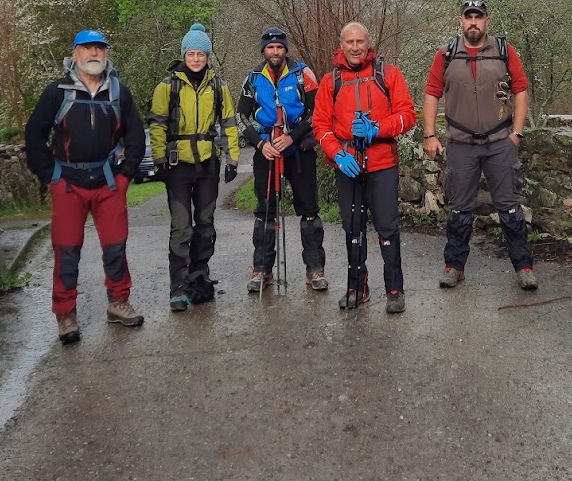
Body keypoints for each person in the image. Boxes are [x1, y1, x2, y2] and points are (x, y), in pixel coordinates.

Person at [25, 30, 147, 345]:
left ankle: (118, 302)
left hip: (108, 183)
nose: (94, 53)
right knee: (66, 251)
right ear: (75, 53)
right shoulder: (57, 92)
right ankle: (65, 314)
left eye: (99, 48)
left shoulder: (118, 92)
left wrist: (125, 176)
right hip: (68, 184)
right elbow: (34, 136)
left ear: (105, 54)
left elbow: (135, 136)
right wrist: (51, 176)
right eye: (87, 48)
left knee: (116, 247)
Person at [423, 0, 537, 291]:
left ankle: (524, 267)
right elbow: (432, 93)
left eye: (478, 17)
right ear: (460, 20)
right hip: (461, 145)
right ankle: (454, 267)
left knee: (510, 208)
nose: (473, 22)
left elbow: (521, 89)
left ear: (487, 20)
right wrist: (429, 134)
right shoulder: (446, 55)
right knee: (459, 210)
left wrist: (517, 133)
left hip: (500, 142)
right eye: (468, 17)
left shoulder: (504, 51)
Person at [312, 22, 417, 313]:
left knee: (387, 228)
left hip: (382, 163)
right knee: (353, 228)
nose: (355, 47)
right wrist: (337, 154)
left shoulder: (388, 74)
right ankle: (357, 288)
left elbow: (408, 115)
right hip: (348, 165)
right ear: (341, 45)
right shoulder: (330, 81)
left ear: (368, 43)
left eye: (360, 41)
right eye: (350, 42)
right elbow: (320, 125)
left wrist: (377, 128)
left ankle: (394, 289)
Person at [148, 23, 240, 312]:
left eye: (201, 54)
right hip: (178, 166)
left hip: (207, 166)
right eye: (192, 54)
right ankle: (178, 286)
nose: (196, 59)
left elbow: (229, 124)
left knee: (205, 225)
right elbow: (157, 125)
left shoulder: (219, 87)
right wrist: (159, 160)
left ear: (207, 56)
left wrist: (232, 160)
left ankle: (199, 277)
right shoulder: (167, 86)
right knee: (181, 228)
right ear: (184, 55)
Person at [237, 27, 327, 293]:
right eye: (270, 47)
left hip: (299, 149)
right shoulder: (253, 78)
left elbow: (316, 111)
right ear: (263, 51)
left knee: (309, 209)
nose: (275, 52)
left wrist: (292, 137)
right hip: (267, 150)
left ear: (286, 49)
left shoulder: (303, 74)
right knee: (265, 210)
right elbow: (241, 116)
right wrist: (260, 144)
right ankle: (261, 271)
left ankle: (315, 270)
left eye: (279, 47)